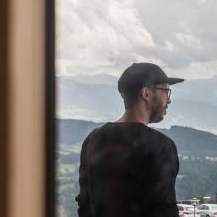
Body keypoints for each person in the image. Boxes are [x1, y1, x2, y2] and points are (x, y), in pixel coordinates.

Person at [76, 62, 184, 217]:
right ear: (146, 93)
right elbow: (164, 210)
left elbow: (84, 204)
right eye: (166, 91)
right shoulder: (161, 146)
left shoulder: (93, 140)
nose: (169, 100)